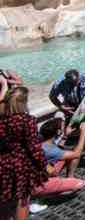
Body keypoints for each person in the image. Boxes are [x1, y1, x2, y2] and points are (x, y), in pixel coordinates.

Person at [0, 87, 48, 220]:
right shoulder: (27, 120)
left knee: (4, 202)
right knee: (22, 201)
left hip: (3, 164)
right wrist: (44, 166)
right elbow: (34, 148)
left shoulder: (2, 120)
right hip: (21, 167)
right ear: (23, 103)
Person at [34, 119, 85, 197]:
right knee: (81, 185)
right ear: (58, 132)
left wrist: (65, 136)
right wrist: (83, 133)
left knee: (69, 155)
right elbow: (77, 154)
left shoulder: (42, 141)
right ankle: (41, 196)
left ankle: (69, 179)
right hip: (37, 183)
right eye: (63, 127)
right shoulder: (50, 150)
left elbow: (58, 149)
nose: (65, 128)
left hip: (42, 172)